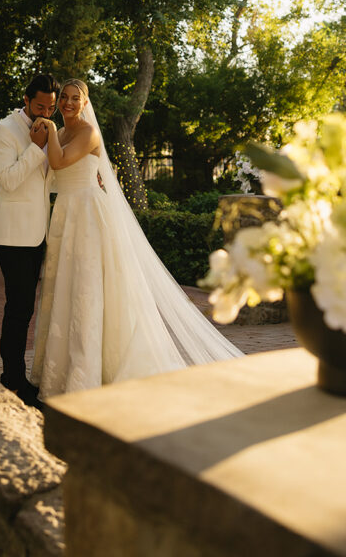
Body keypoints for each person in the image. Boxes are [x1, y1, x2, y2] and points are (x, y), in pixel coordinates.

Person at [30, 78, 242, 399]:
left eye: (76, 98)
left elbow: (57, 162)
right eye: (64, 97)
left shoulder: (88, 133)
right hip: (64, 215)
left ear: (85, 104)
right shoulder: (59, 134)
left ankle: (85, 375)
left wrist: (44, 125)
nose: (68, 103)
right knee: (65, 288)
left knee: (86, 290)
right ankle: (59, 374)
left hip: (86, 215)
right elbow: (49, 170)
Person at [0, 72, 60, 409]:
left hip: (39, 231)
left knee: (26, 307)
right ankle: (12, 378)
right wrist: (36, 147)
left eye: (51, 107)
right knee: (18, 307)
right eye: (39, 105)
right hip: (12, 235)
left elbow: (49, 181)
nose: (45, 112)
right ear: (27, 100)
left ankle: (16, 375)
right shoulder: (3, 130)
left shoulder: (49, 129)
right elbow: (9, 181)